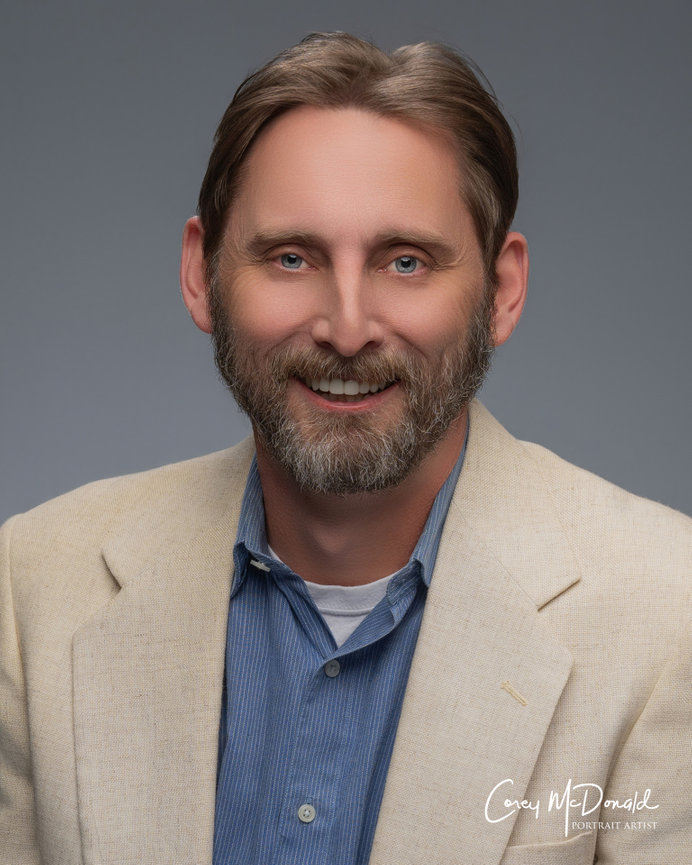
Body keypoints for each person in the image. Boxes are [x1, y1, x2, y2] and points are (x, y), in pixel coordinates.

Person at [1, 32, 689, 865]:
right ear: (200, 274)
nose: (349, 327)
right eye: (291, 257)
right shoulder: (32, 585)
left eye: (407, 261)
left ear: (501, 292)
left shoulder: (668, 616)